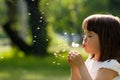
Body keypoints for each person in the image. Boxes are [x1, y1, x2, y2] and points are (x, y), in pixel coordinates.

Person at [68, 14, 120, 80]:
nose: (84, 39)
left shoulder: (109, 67)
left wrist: (81, 66)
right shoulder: (91, 60)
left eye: (89, 36)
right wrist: (75, 68)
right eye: (85, 34)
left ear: (105, 40)